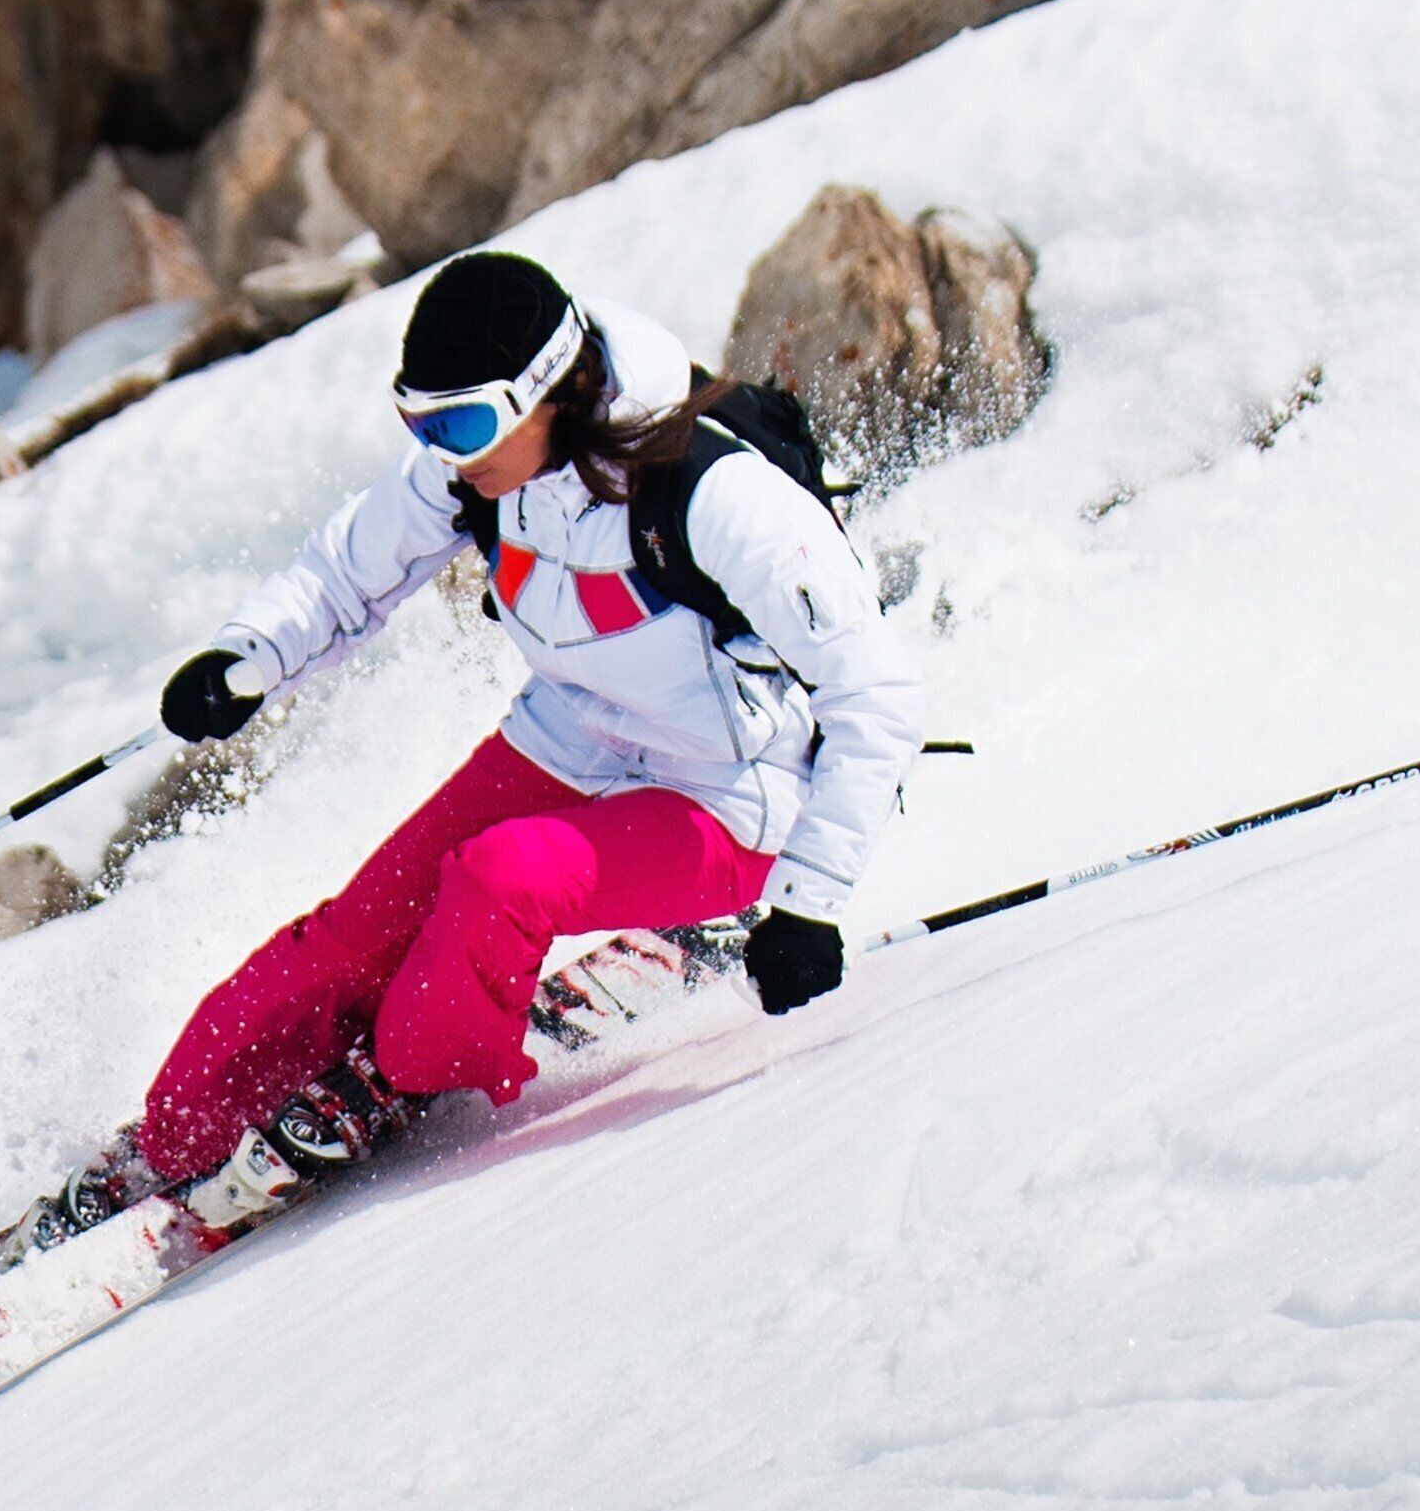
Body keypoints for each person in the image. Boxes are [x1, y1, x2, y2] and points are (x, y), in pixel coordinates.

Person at [141, 249, 926, 1225]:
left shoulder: (713, 494)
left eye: (462, 424)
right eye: (419, 423)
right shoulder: (479, 474)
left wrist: (809, 905)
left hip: (733, 793)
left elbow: (879, 696)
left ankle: (418, 1067)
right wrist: (248, 659)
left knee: (498, 879)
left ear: (547, 394)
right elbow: (347, 572)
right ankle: (185, 1133)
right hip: (571, 740)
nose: (444, 450)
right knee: (355, 932)